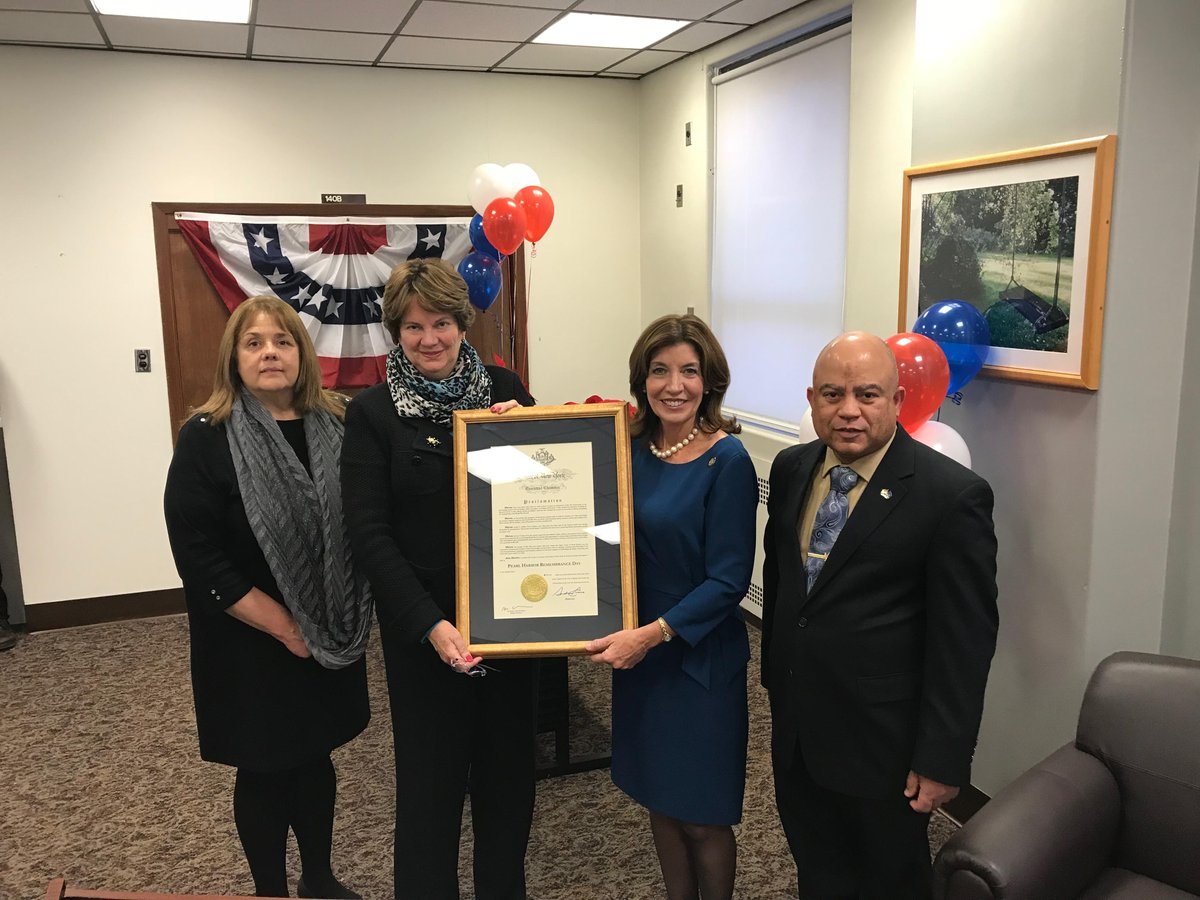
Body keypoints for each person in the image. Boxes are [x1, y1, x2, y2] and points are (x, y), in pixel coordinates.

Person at [762, 331, 999, 899]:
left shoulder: (951, 495)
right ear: (812, 399)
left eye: (867, 395)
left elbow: (964, 640)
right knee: (817, 869)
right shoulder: (792, 468)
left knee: (888, 880)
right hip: (799, 732)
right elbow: (783, 585)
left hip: (884, 748)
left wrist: (943, 758)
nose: (848, 410)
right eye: (832, 394)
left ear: (897, 401)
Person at [340, 258, 537, 900]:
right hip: (425, 632)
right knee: (430, 792)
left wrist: (527, 436)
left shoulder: (506, 388)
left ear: (462, 323)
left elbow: (544, 500)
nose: (430, 339)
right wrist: (430, 624)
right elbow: (369, 534)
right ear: (396, 331)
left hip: (510, 624)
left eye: (442, 323)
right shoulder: (372, 414)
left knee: (509, 786)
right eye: (414, 326)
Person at [164, 295, 371, 899]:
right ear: (234, 358)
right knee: (265, 768)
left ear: (301, 353)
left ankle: (320, 878)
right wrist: (283, 626)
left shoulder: (338, 423)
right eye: (253, 343)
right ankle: (270, 893)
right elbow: (197, 554)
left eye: (282, 341)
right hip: (247, 637)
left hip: (330, 624)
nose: (270, 353)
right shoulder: (207, 437)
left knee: (315, 756)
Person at [587, 314, 757, 900]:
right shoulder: (627, 445)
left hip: (696, 658)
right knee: (659, 800)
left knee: (702, 815)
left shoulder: (727, 460)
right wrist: (508, 425)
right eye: (660, 371)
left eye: (689, 370)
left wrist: (651, 635)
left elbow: (729, 581)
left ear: (710, 381)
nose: (674, 385)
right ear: (643, 380)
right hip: (641, 657)